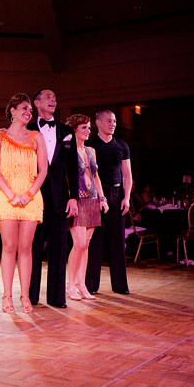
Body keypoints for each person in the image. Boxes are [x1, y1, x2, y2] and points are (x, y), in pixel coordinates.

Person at [0, 93, 47, 314]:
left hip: (30, 196)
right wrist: (12, 195)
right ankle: (7, 296)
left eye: (30, 111)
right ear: (12, 111)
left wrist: (29, 194)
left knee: (26, 248)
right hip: (6, 196)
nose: (28, 113)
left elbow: (43, 171)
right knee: (9, 246)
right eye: (24, 108)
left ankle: (25, 296)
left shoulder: (37, 137)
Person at [28, 88, 79, 309]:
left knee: (59, 247)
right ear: (36, 103)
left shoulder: (66, 131)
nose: (53, 100)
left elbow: (73, 167)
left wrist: (74, 197)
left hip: (60, 198)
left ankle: (57, 297)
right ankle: (30, 296)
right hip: (33, 196)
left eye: (55, 98)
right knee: (33, 247)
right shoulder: (27, 128)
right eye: (48, 97)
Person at [86, 110, 132, 295]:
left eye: (114, 121)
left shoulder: (121, 145)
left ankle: (120, 287)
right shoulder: (90, 144)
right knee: (95, 242)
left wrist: (127, 197)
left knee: (117, 243)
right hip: (95, 195)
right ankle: (90, 286)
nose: (112, 124)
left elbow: (127, 174)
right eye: (108, 121)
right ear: (97, 123)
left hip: (117, 194)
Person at [65, 114, 109, 301]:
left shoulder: (91, 150)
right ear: (74, 129)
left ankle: (81, 284)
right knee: (79, 243)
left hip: (92, 200)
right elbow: (66, 178)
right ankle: (70, 284)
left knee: (86, 245)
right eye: (83, 127)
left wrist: (102, 198)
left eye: (89, 128)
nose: (88, 131)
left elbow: (96, 176)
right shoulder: (68, 151)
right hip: (78, 200)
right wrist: (70, 198)